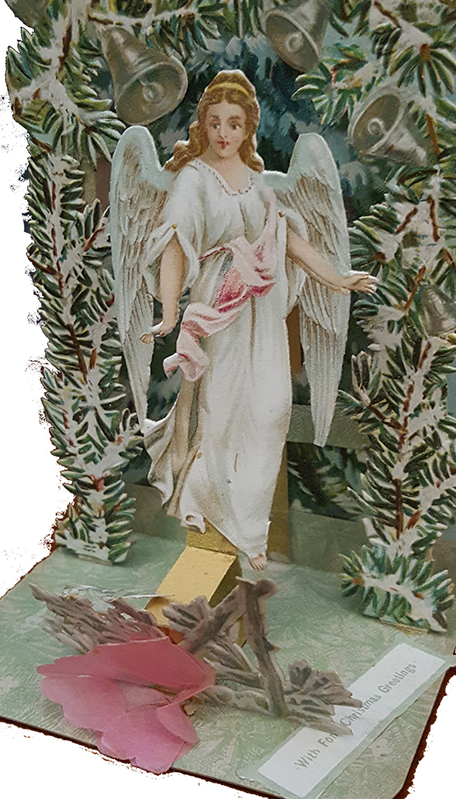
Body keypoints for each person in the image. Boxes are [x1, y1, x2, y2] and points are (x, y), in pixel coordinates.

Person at [135, 70, 376, 570]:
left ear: (248, 129)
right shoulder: (194, 179)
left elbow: (290, 241)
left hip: (261, 314)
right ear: (203, 125)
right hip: (219, 310)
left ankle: (249, 525)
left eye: (235, 123)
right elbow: (175, 244)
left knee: (271, 411)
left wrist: (337, 278)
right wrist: (170, 311)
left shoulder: (262, 185)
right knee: (220, 416)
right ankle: (223, 527)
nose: (224, 133)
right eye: (215, 122)